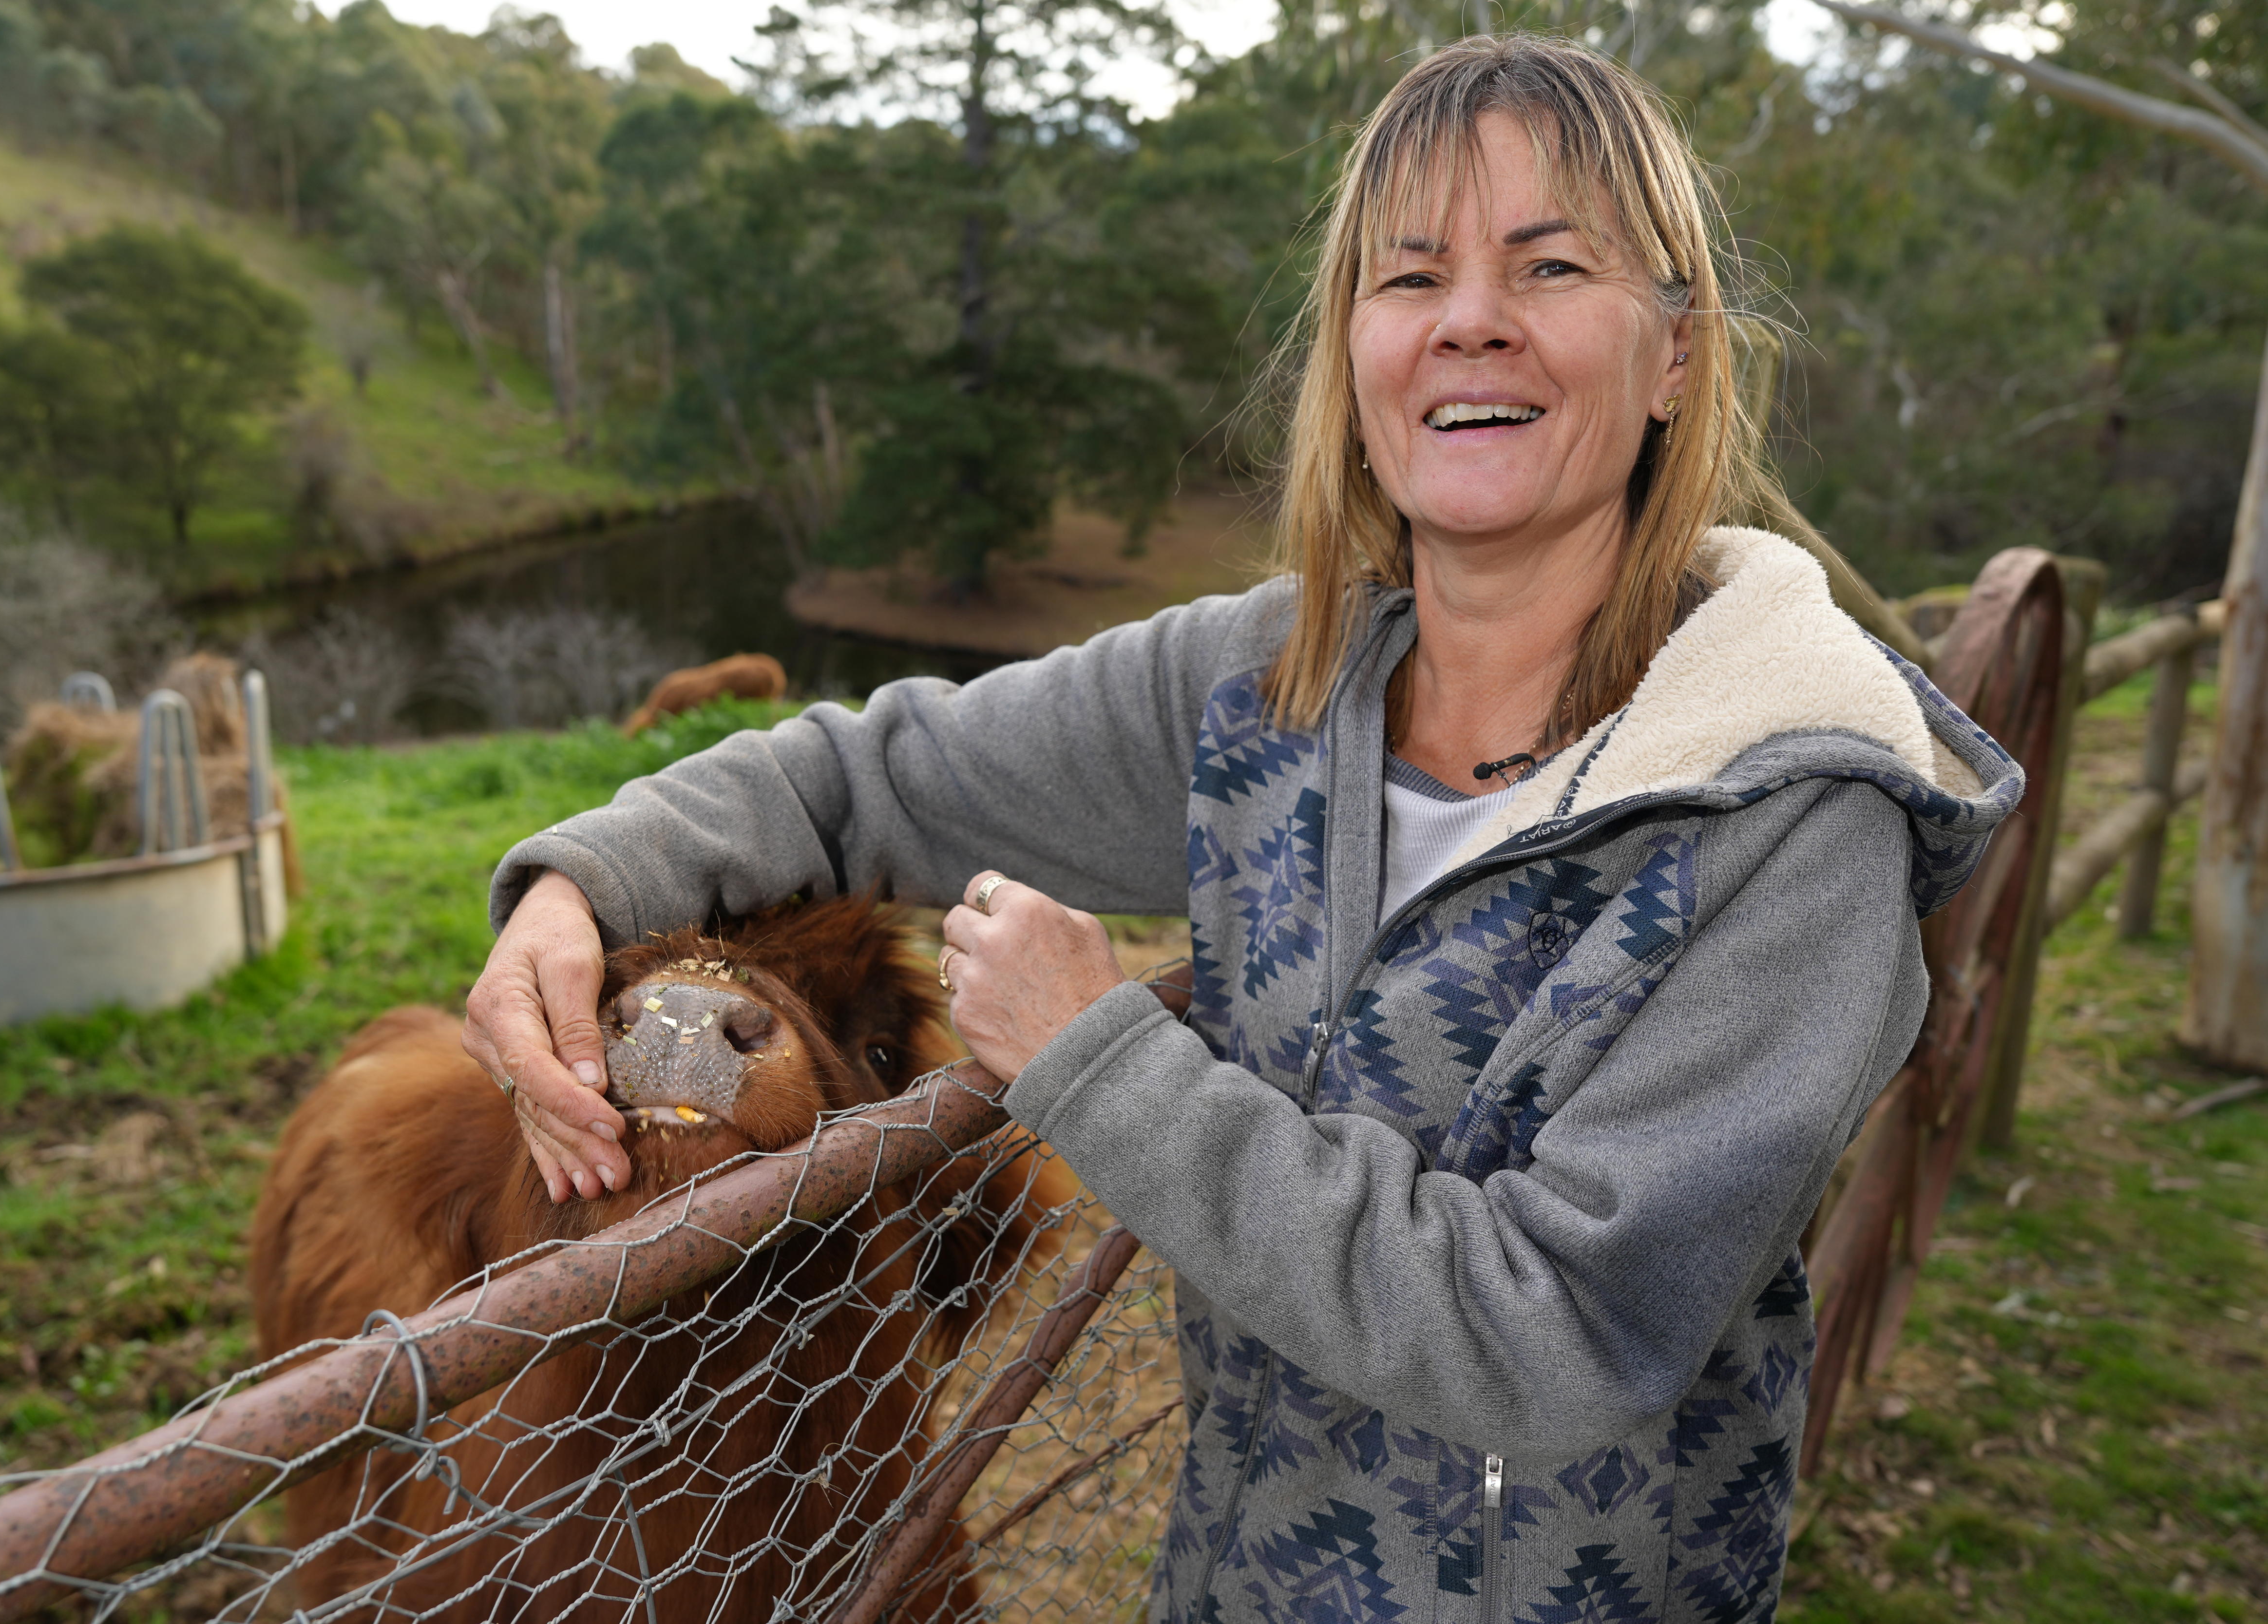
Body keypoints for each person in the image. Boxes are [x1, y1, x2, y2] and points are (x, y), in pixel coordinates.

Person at [465, 34, 2021, 1622]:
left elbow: (1564, 1332)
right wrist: (584, 885)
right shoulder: (1264, 686)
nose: (1470, 318)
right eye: (1410, 278)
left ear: (1677, 355)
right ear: (1355, 352)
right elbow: (870, 777)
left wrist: (1103, 1067)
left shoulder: (1794, 815)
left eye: (1548, 265)